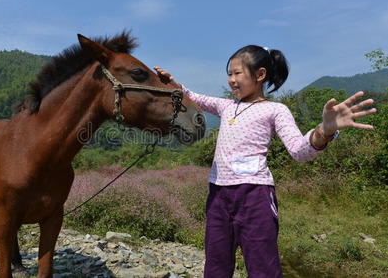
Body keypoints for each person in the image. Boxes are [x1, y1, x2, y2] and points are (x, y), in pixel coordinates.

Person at [153, 45, 377, 278]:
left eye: (237, 73)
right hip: (218, 196)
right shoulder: (227, 106)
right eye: (229, 73)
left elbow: (300, 151)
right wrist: (173, 84)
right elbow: (195, 97)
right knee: (215, 267)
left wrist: (324, 131)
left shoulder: (275, 110)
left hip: (255, 196)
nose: (231, 80)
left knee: (263, 268)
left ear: (260, 75)